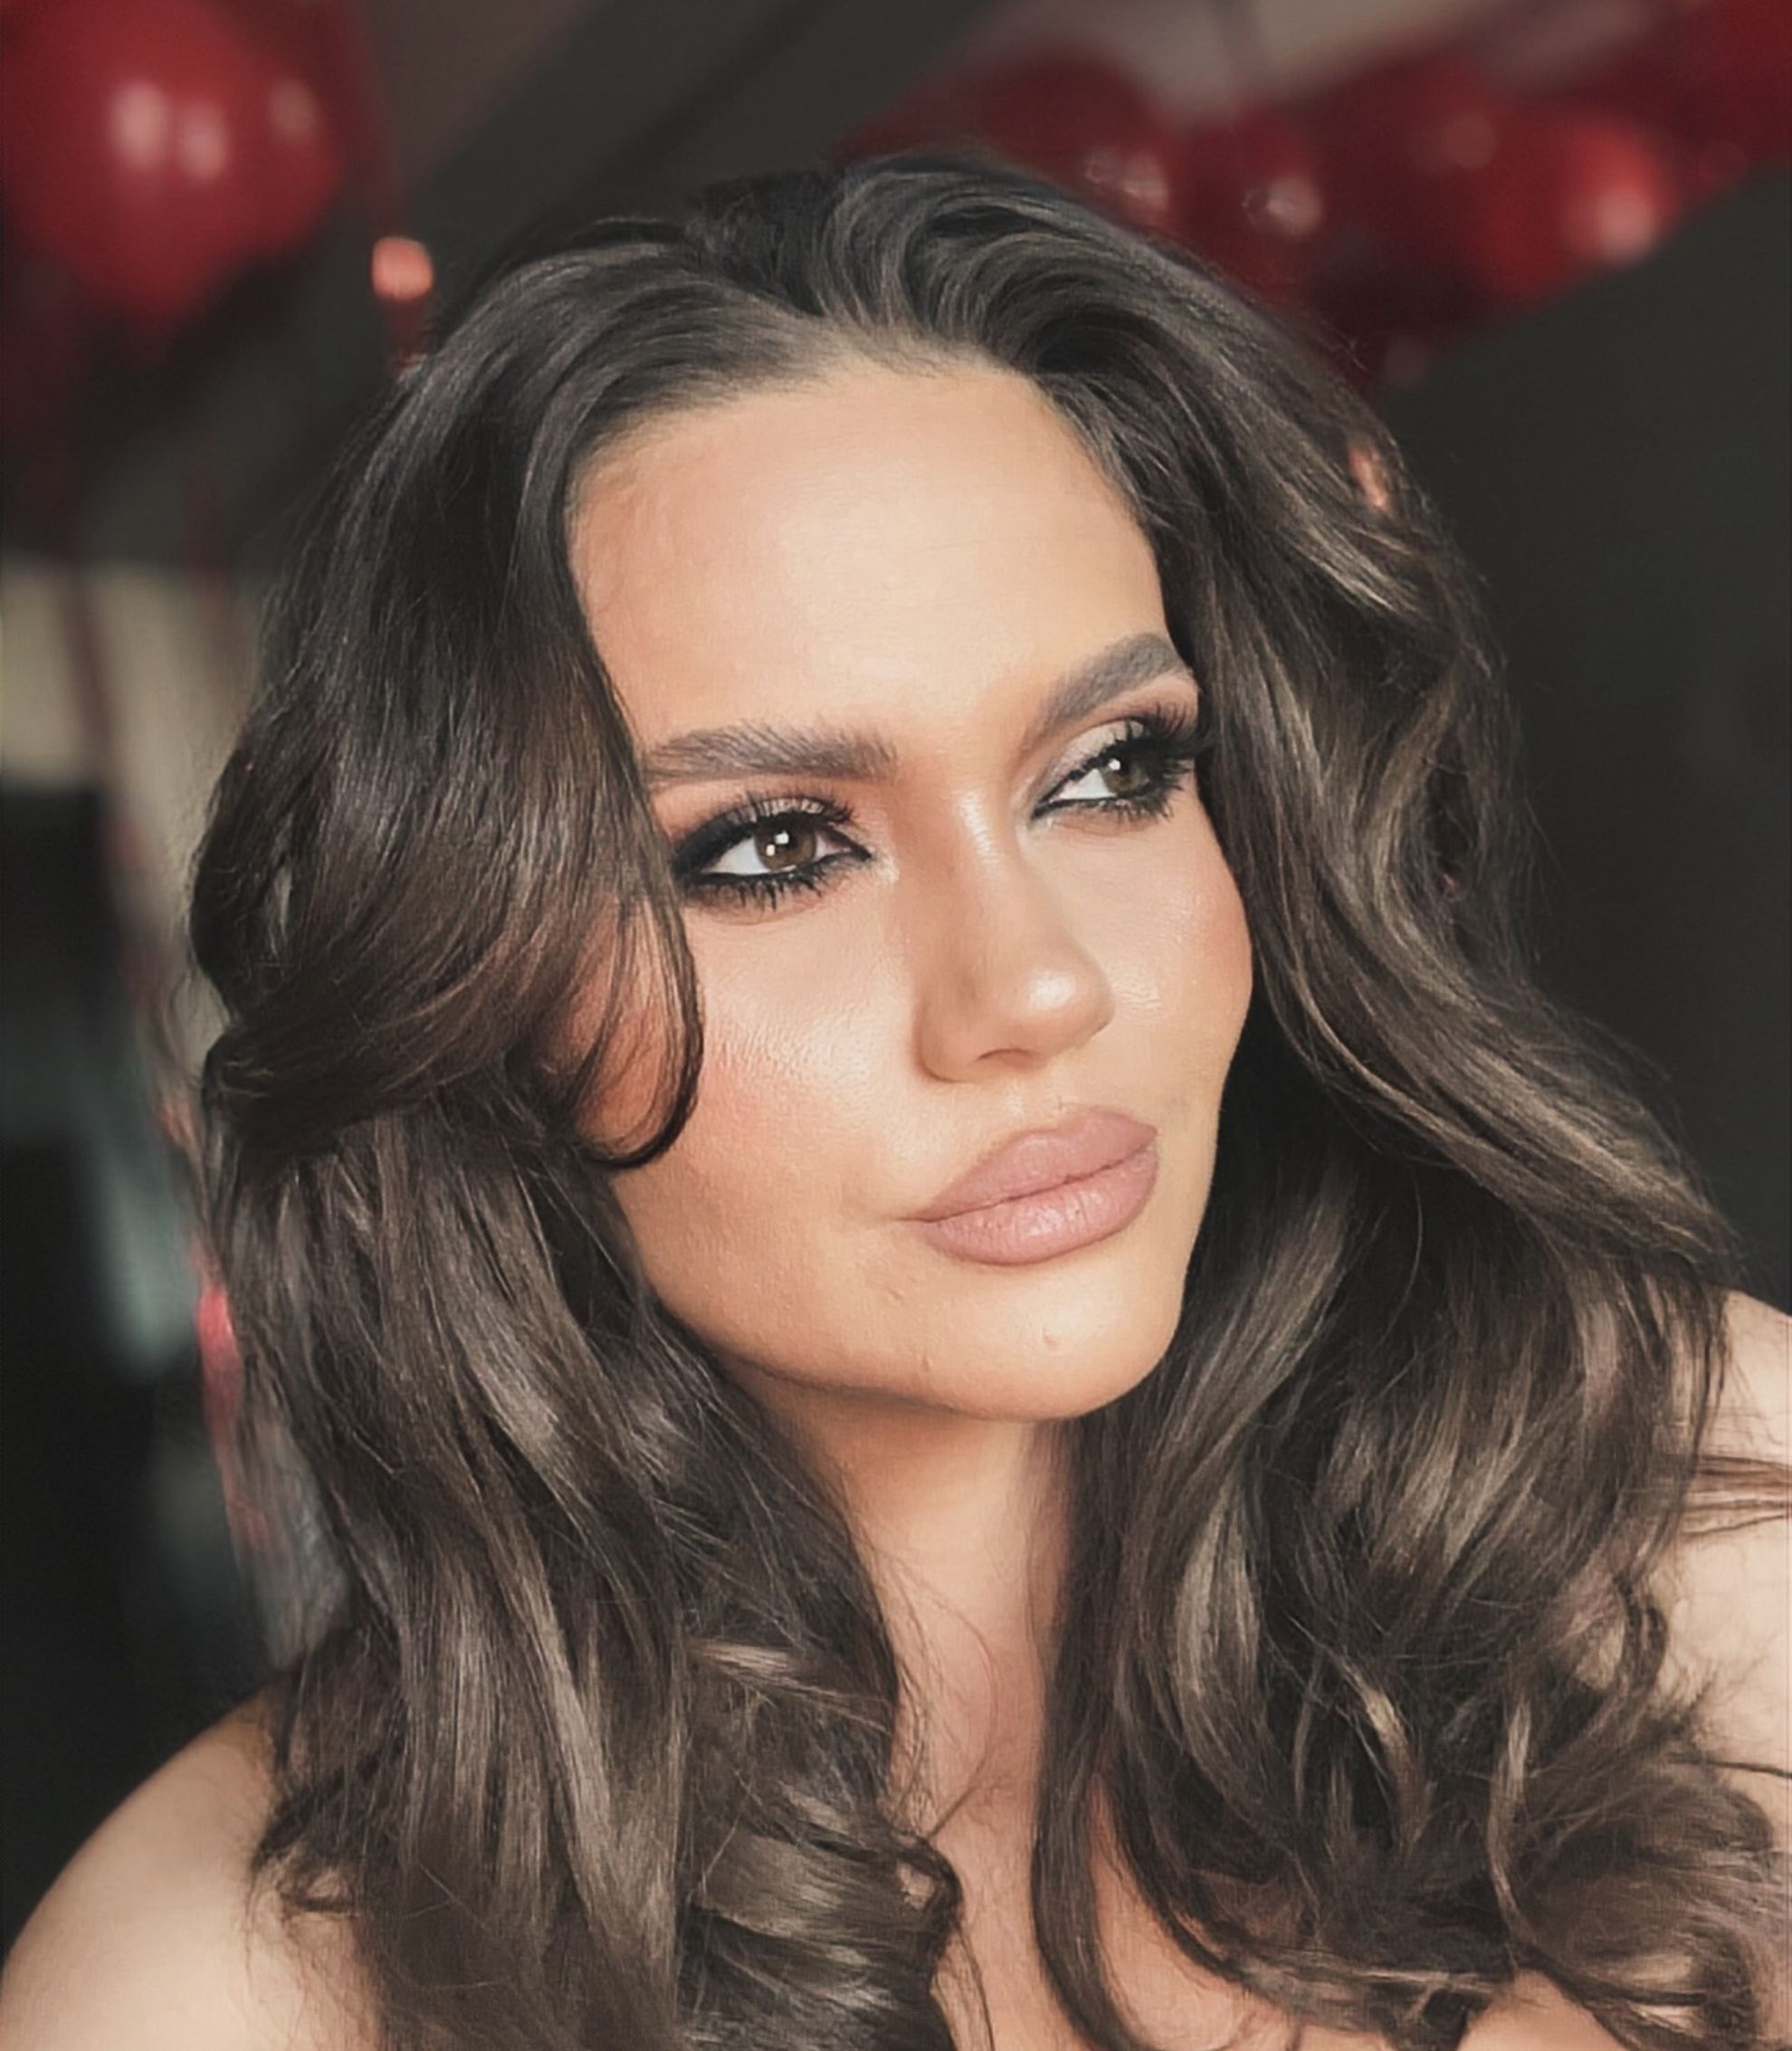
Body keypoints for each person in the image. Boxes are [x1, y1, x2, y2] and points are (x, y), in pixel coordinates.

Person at [1, 151, 1786, 2051]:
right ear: (468, 987)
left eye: (1112, 769)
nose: (1039, 987)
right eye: (774, 845)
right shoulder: (207, 1991)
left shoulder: (1708, 1507)